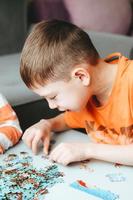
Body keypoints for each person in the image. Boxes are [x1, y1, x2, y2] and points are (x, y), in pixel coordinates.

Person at [20, 19, 133, 166]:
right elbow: (68, 120)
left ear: (81, 76)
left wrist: (87, 150)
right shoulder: (86, 94)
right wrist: (47, 124)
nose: (51, 106)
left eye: (53, 97)